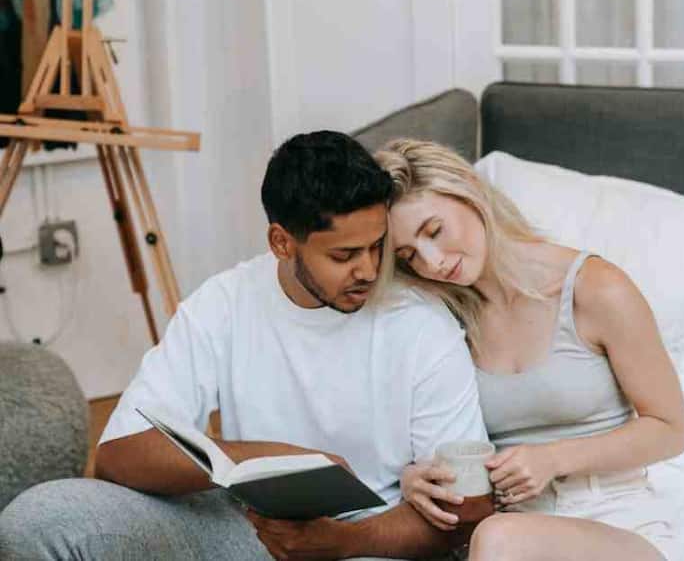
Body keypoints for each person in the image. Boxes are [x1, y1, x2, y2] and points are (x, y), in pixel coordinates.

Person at [0, 131, 488, 561]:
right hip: (250, 527)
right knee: (37, 521)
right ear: (281, 242)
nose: (368, 269)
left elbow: (465, 514)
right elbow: (118, 456)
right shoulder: (224, 303)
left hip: (370, 540)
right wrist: (264, 459)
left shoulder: (423, 326)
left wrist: (344, 541)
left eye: (377, 246)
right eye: (344, 255)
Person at [374, 139, 684, 561]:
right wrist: (415, 478)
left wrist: (553, 459)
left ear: (470, 192)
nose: (432, 262)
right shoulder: (441, 319)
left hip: (614, 517)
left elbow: (671, 429)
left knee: (500, 539)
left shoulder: (596, 288)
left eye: (434, 231)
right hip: (504, 529)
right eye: (410, 256)